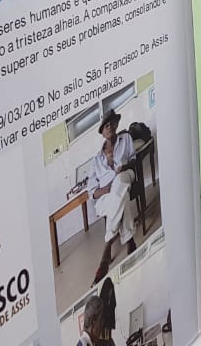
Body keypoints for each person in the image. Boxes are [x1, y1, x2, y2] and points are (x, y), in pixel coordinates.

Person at [90, 110, 139, 284]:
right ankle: (129, 240)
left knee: (119, 182)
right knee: (119, 196)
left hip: (126, 176)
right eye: (106, 125)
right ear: (102, 132)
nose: (109, 126)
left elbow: (134, 159)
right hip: (107, 195)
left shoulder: (126, 139)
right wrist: (106, 189)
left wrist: (124, 167)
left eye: (112, 123)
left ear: (116, 125)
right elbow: (92, 192)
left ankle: (108, 245)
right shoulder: (96, 160)